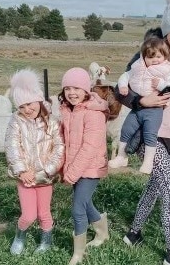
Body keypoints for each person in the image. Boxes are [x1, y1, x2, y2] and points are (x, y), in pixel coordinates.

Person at [117, 0, 170, 265]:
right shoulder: (150, 54)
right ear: (165, 30)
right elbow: (120, 89)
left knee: (155, 187)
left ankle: (133, 233)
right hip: (151, 135)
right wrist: (141, 101)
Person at [5, 68, 65, 255]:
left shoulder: (53, 122)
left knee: (44, 213)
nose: (26, 110)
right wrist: (22, 171)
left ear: (39, 100)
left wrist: (47, 171)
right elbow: (12, 146)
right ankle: (20, 235)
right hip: (26, 177)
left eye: (29, 104)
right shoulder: (16, 121)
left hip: (45, 176)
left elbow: (59, 148)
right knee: (29, 215)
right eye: (21, 107)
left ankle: (46, 241)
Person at [58, 67, 110, 265]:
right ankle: (102, 233)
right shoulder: (68, 110)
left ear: (86, 90)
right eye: (67, 88)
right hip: (75, 166)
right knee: (86, 203)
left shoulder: (93, 113)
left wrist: (71, 173)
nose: (72, 93)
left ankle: (78, 254)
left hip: (90, 167)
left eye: (77, 88)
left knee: (77, 209)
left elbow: (89, 148)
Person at [109, 36, 170, 174]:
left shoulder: (166, 70)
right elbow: (125, 76)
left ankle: (148, 162)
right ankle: (121, 156)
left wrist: (160, 84)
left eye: (159, 56)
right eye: (151, 57)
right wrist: (123, 85)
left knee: (150, 134)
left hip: (154, 110)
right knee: (126, 130)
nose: (155, 60)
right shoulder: (137, 67)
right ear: (143, 57)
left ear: (164, 56)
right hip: (137, 108)